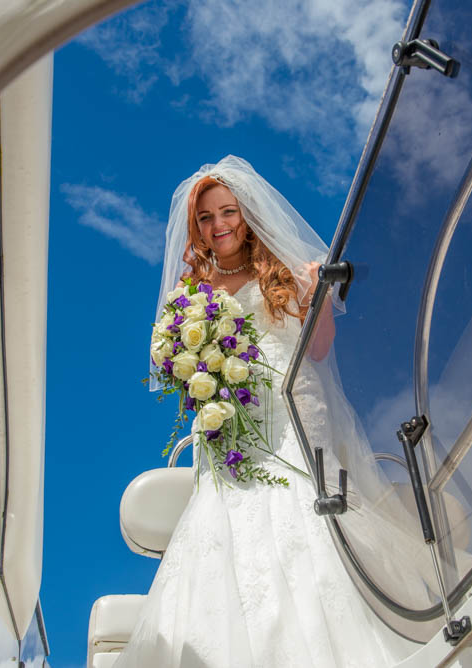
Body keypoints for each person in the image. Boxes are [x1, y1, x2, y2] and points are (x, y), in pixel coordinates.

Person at [115, 156, 419, 668]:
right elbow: (176, 370)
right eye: (207, 218)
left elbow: (319, 348)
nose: (219, 226)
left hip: (293, 411)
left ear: (246, 213)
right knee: (226, 525)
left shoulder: (284, 271)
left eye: (227, 212)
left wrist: (315, 292)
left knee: (308, 510)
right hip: (227, 424)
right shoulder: (190, 294)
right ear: (197, 227)